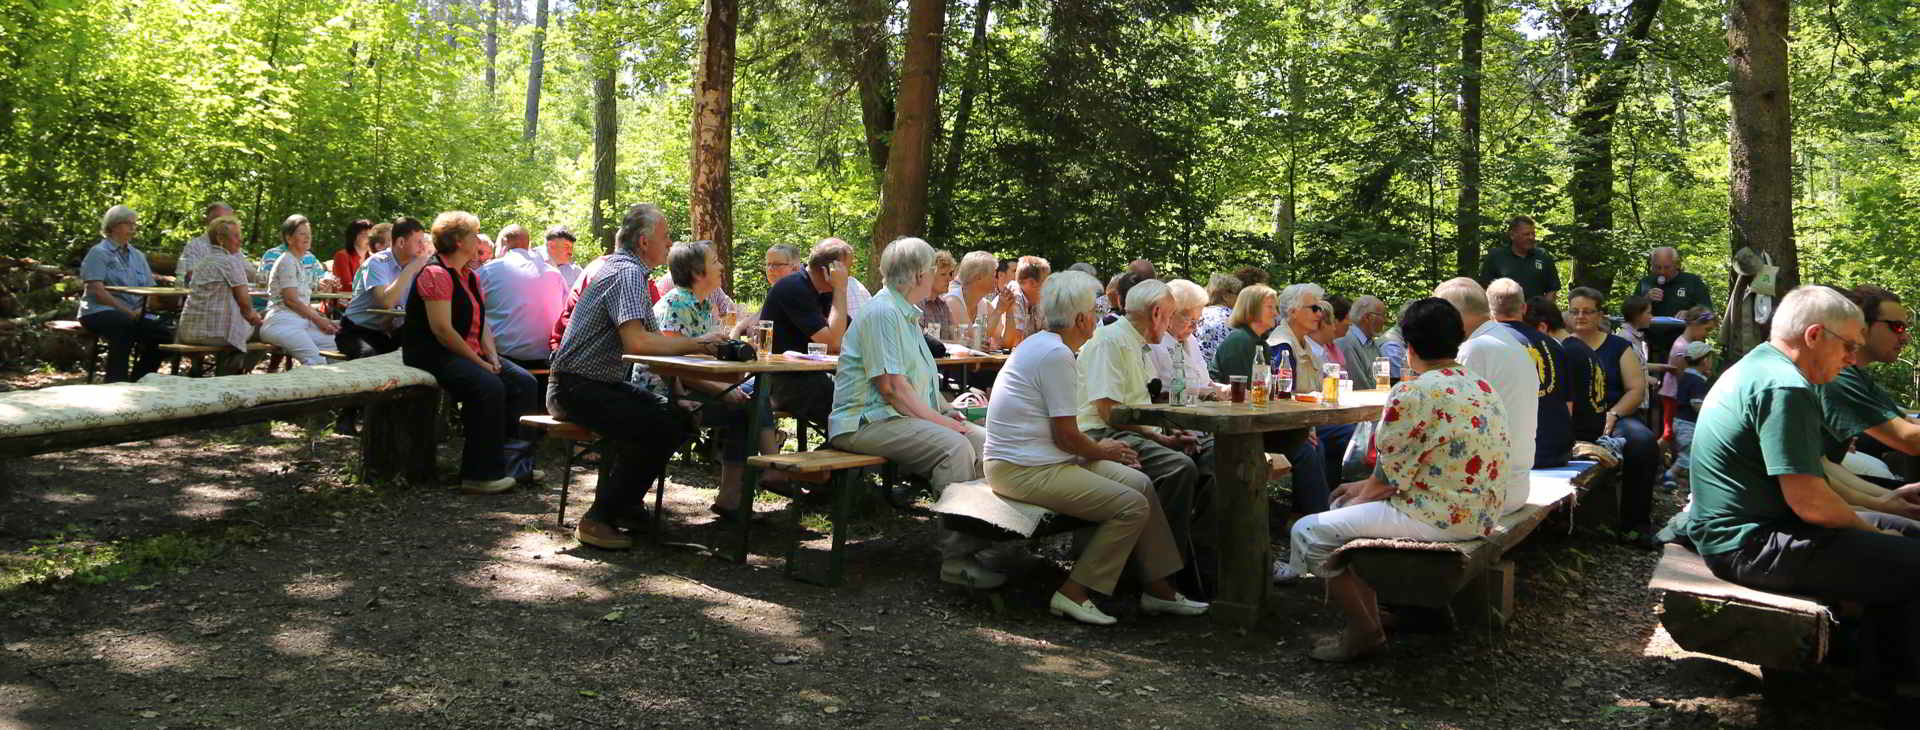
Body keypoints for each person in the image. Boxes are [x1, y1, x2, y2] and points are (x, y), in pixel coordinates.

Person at [1678, 285, 1920, 696]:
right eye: (1847, 347)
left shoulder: (1762, 365)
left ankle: (1873, 670)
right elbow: (1812, 504)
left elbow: (1813, 480)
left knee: (1908, 538)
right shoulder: (1785, 388)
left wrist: (1881, 507)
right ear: (1813, 336)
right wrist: (1878, 534)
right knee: (1909, 560)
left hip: (1754, 529)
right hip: (1747, 543)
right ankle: (1895, 689)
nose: (1851, 358)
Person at [1287, 297, 1511, 662]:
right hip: (1481, 512)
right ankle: (1383, 613)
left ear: (1408, 346)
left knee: (1310, 531)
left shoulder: (1413, 391)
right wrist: (1361, 492)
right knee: (1345, 506)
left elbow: (1389, 479)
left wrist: (1354, 500)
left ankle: (1365, 630)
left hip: (1441, 518)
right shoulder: (1479, 385)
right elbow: (1407, 469)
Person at [983, 270, 1208, 624]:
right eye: (1095, 307)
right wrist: (1105, 450)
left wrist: (1104, 448)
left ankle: (1159, 590)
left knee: (1141, 485)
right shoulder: (1055, 355)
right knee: (1130, 505)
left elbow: (1064, 437)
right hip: (1022, 469)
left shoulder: (1045, 345)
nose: (1100, 314)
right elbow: (1067, 437)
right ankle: (1074, 591)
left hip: (1042, 460)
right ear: (1081, 318)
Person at [827, 237, 1003, 586]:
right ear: (919, 275)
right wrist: (948, 426)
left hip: (894, 417)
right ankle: (956, 560)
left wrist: (949, 410)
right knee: (953, 447)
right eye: (935, 271)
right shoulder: (883, 313)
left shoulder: (905, 314)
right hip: (863, 422)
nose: (941, 277)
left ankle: (992, 540)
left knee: (988, 444)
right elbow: (891, 389)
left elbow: (918, 382)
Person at [549, 204, 727, 549]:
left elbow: (651, 347)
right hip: (576, 388)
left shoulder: (630, 273)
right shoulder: (627, 274)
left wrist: (679, 387)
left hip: (594, 385)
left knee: (680, 417)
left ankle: (626, 505)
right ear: (644, 242)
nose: (670, 243)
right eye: (665, 237)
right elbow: (638, 342)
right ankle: (598, 519)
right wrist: (700, 344)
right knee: (663, 425)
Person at [1077, 278, 1211, 582]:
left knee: (1212, 462)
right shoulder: (1110, 341)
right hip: (1099, 435)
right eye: (1170, 315)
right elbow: (1109, 412)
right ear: (1157, 314)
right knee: (1179, 468)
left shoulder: (1138, 344)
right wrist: (1156, 436)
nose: (1169, 324)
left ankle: (1200, 568)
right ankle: (1161, 578)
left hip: (1127, 431)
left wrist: (1162, 436)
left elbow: (1137, 406)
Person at [403, 211, 539, 496]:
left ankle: (516, 465)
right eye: (472, 235)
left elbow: (482, 322)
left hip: (466, 351)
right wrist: (478, 362)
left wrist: (493, 357)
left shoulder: (470, 276)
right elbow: (442, 331)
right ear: (456, 240)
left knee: (525, 383)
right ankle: (479, 474)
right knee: (488, 386)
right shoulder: (436, 274)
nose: (478, 239)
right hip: (433, 353)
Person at [655, 240, 789, 520]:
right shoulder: (677, 304)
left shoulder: (703, 305)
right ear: (697, 272)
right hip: (667, 394)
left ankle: (742, 488)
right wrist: (724, 390)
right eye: (715, 261)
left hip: (697, 388)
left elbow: (709, 362)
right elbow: (672, 368)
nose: (721, 266)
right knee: (749, 403)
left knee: (752, 396)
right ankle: (772, 466)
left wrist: (735, 373)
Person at [1212, 284, 1332, 522]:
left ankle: (1307, 516)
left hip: (1256, 421)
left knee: (1313, 444)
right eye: (1270, 307)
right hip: (1236, 427)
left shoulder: (1261, 343)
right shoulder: (1240, 341)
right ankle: (1315, 519)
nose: (1276, 312)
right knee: (1306, 449)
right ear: (1252, 309)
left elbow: (1269, 395)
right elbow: (1244, 397)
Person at [1567, 287, 1661, 546]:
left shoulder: (1619, 346)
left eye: (1588, 311)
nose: (1580, 316)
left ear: (1601, 315)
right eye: (1575, 311)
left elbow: (1635, 389)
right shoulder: (1561, 346)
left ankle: (1635, 524)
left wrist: (1613, 413)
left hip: (1614, 415)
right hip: (1573, 418)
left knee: (1642, 442)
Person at [1434, 278, 1537, 514]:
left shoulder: (1475, 349)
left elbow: (1447, 423)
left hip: (1487, 493)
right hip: (1516, 484)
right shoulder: (1509, 342)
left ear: (1453, 315)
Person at [1816, 286, 1920, 461]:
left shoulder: (1855, 375)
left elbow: (1908, 422)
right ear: (1861, 324)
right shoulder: (1837, 377)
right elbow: (1909, 440)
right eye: (1897, 327)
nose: (1905, 338)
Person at [762, 238, 853, 426]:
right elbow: (833, 343)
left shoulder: (823, 292)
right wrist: (841, 289)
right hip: (784, 381)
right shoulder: (793, 287)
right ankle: (833, 453)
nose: (848, 275)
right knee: (852, 412)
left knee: (870, 396)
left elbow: (853, 333)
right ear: (828, 271)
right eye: (846, 268)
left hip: (813, 375)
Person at [78, 205, 171, 382]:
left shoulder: (138, 256)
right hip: (98, 311)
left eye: (134, 224)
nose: (133, 229)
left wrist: (145, 308)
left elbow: (150, 290)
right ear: (113, 226)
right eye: (129, 224)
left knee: (164, 334)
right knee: (124, 326)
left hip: (134, 313)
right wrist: (128, 312)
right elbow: (96, 290)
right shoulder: (98, 253)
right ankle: (115, 384)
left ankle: (138, 381)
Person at [1486, 280, 1571, 468]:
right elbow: (1567, 403)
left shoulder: (1487, 344)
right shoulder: (1554, 345)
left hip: (1515, 455)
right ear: (1523, 308)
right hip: (1557, 450)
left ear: (1490, 311)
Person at [174, 215, 263, 375]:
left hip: (188, 331)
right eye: (236, 236)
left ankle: (198, 373)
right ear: (221, 239)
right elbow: (246, 307)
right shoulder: (231, 262)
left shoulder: (203, 263)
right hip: (215, 333)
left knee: (247, 328)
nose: (240, 240)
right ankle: (229, 377)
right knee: (266, 329)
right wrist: (258, 319)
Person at [476, 224, 568, 373]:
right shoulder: (556, 275)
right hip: (548, 361)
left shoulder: (486, 272)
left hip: (502, 363)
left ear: (504, 243)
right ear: (528, 245)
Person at [338, 216, 428, 359]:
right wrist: (411, 269)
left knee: (429, 347)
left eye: (423, 241)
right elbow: (385, 302)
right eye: (418, 242)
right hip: (357, 330)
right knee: (370, 357)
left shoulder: (422, 265)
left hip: (389, 331)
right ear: (401, 242)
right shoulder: (377, 263)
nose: (423, 247)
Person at [258, 215, 341, 366]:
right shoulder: (286, 261)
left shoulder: (298, 262)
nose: (307, 237)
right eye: (302, 233)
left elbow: (302, 302)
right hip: (281, 323)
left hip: (299, 323)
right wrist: (319, 320)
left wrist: (325, 320)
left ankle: (335, 388)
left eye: (309, 233)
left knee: (335, 345)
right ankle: (292, 388)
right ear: (289, 238)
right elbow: (291, 301)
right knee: (316, 361)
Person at [1147, 280, 1221, 401]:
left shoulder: (1190, 340)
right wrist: (1200, 393)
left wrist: (1226, 389)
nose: (1195, 327)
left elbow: (1204, 381)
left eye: (1198, 320)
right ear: (1170, 314)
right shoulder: (1153, 343)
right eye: (1190, 320)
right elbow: (1153, 393)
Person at [1659, 308, 1720, 444]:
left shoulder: (1688, 345)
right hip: (1673, 395)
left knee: (1674, 433)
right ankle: (1654, 458)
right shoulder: (1682, 347)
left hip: (1679, 395)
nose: (1707, 334)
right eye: (1707, 329)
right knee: (1669, 433)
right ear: (1694, 324)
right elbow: (1683, 377)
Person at [1665, 341, 1714, 488]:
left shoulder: (1686, 376)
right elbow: (1695, 403)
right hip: (1688, 425)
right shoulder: (1697, 381)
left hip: (1679, 421)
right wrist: (1708, 413)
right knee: (1688, 456)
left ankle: (1678, 478)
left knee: (1687, 454)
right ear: (1705, 360)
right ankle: (1670, 475)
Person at [1476, 215, 1559, 299]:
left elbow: (1552, 289)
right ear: (1512, 235)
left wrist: (1545, 310)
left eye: (1533, 234)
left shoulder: (1543, 256)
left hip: (1536, 311)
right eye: (1526, 234)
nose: (1531, 237)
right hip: (1504, 311)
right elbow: (1485, 288)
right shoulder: (1496, 257)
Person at [1634, 247, 1714, 318]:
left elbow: (1709, 313)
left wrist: (1690, 314)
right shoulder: (1645, 282)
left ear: (1677, 265)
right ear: (1652, 265)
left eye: (1667, 267)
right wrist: (1645, 300)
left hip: (1684, 333)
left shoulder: (1693, 282)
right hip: (1648, 334)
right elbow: (1630, 313)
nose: (1662, 272)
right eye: (1657, 267)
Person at [175, 201, 234, 286]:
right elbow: (190, 275)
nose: (223, 224)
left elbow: (249, 273)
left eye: (228, 221)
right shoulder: (195, 246)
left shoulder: (234, 247)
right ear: (207, 221)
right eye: (217, 219)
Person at [1335, 295, 1387, 390]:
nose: (1385, 320)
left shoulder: (1372, 343)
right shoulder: (1347, 342)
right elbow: (1359, 386)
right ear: (1367, 317)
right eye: (1382, 315)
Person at [1000, 255, 1050, 347]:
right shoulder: (1014, 292)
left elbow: (1047, 336)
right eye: (1046, 280)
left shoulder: (1037, 301)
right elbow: (1015, 341)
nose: (1049, 286)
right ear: (1031, 283)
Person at [1195, 273, 1242, 370]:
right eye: (1237, 293)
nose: (1240, 297)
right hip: (1224, 376)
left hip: (1199, 373)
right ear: (1225, 295)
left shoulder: (1198, 314)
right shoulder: (1234, 318)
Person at [332, 219, 375, 294]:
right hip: (346, 303)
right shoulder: (342, 256)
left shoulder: (373, 258)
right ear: (353, 237)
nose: (369, 238)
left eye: (371, 235)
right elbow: (346, 286)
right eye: (364, 234)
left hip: (369, 301)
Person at [922, 250, 958, 333]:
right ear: (929, 275)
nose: (949, 279)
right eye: (943, 274)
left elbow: (955, 337)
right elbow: (919, 341)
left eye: (950, 274)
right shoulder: (918, 304)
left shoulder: (943, 305)